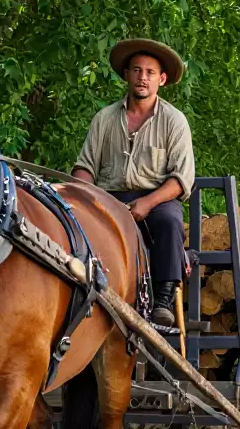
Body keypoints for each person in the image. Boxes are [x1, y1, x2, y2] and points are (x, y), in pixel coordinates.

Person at [71, 38, 195, 328]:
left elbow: (181, 179)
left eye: (150, 72)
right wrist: (87, 197)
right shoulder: (104, 118)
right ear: (127, 74)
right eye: (137, 70)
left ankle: (162, 300)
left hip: (157, 200)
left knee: (169, 221)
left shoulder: (174, 121)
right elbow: (85, 167)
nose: (143, 77)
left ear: (161, 79)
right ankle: (79, 291)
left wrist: (147, 203)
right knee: (72, 221)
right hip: (108, 198)